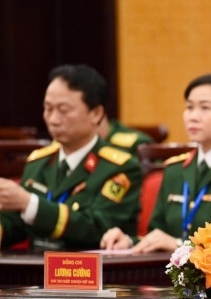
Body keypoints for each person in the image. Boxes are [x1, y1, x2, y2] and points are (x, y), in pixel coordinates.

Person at [100, 74, 211, 264]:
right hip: (177, 282)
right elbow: (158, 235)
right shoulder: (175, 170)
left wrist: (180, 245)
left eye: (205, 108)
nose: (193, 116)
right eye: (189, 107)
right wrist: (128, 241)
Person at [0, 64, 141, 250]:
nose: (53, 119)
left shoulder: (120, 168)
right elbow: (18, 223)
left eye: (64, 110)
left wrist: (29, 203)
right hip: (37, 270)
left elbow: (98, 226)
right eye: (48, 108)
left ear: (96, 114)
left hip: (88, 273)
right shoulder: (38, 162)